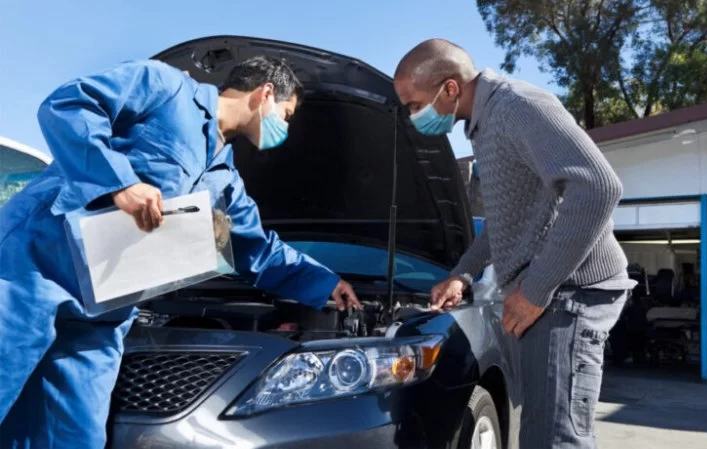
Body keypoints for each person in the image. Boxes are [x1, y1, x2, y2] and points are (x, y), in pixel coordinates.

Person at [0, 56, 361, 447]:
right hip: (33, 272)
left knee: (75, 436)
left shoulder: (224, 180)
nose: (284, 129)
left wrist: (326, 283)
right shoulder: (166, 87)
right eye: (286, 115)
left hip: (102, 313)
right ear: (266, 93)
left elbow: (253, 248)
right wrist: (119, 184)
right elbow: (68, 106)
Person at [393, 39, 635, 448]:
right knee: (540, 433)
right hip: (556, 295)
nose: (413, 116)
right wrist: (462, 274)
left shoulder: (518, 106)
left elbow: (598, 187)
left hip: (570, 296)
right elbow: (508, 221)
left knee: (553, 440)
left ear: (449, 89)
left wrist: (537, 288)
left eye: (415, 105)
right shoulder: (484, 126)